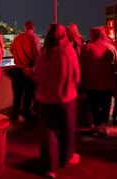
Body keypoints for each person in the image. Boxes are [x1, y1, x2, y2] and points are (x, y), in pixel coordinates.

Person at [35, 23, 80, 178]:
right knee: (67, 131)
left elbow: (37, 75)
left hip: (46, 100)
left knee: (49, 133)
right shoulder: (69, 51)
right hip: (66, 98)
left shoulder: (44, 53)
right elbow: (77, 76)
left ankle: (49, 168)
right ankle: (65, 159)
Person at [10, 20, 40, 120]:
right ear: (33, 27)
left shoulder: (17, 38)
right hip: (29, 70)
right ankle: (26, 112)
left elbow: (11, 49)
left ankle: (14, 114)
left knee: (17, 94)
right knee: (29, 93)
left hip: (17, 69)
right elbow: (37, 53)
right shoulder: (33, 37)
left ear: (25, 27)